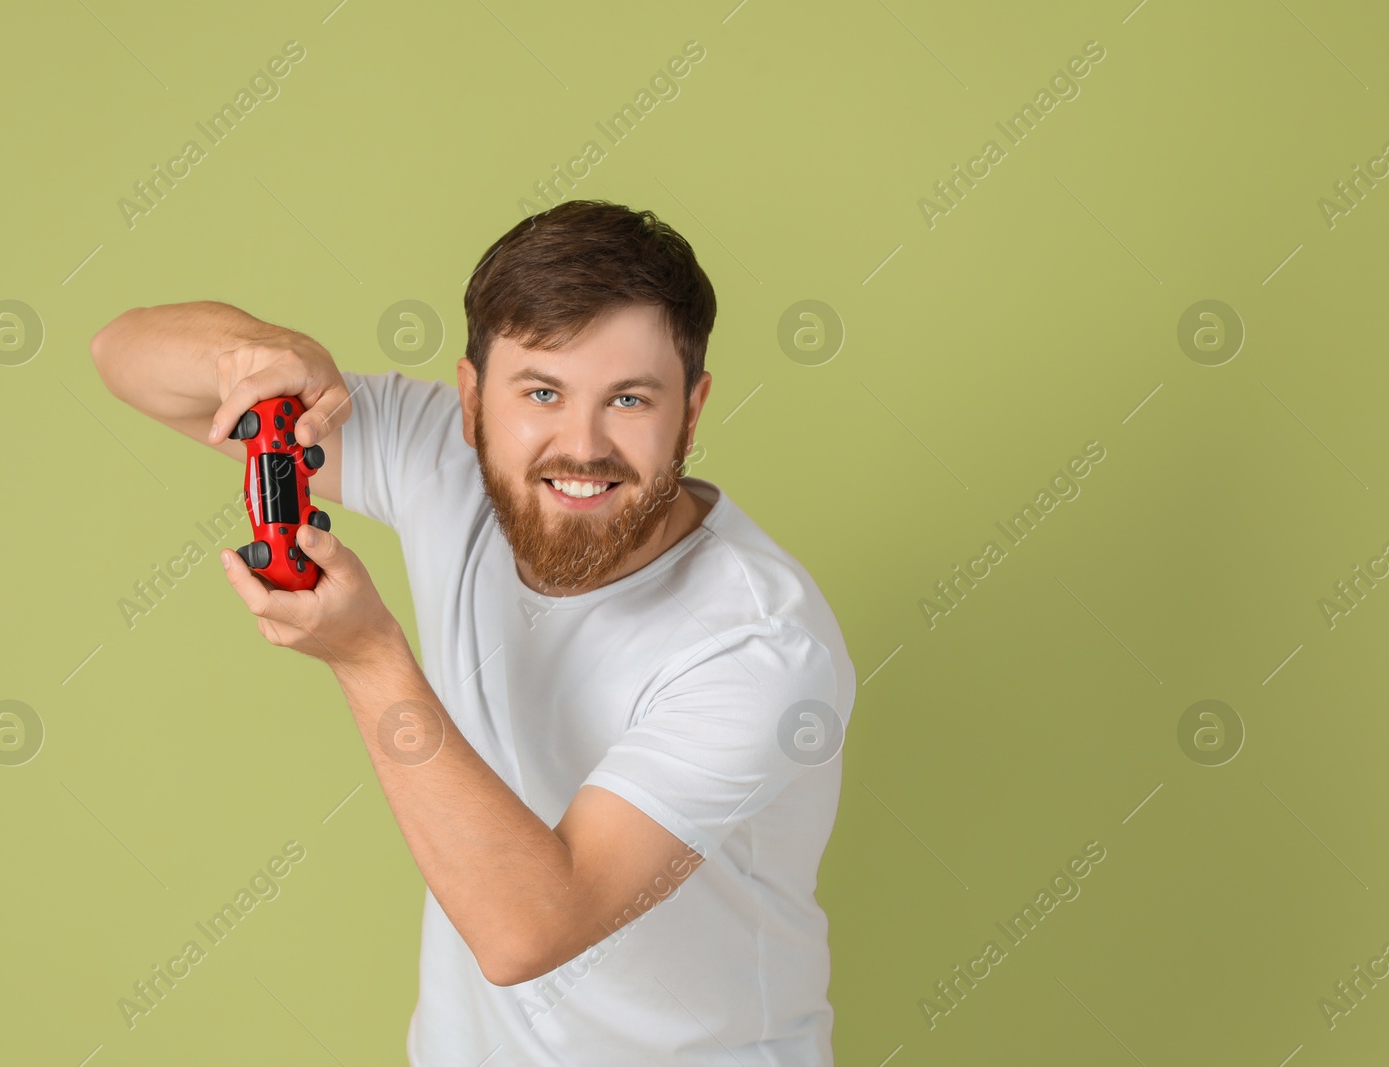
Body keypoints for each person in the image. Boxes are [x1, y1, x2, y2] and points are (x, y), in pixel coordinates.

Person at [90, 199, 856, 1065]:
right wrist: (257, 353)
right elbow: (123, 356)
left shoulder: (758, 647)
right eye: (541, 391)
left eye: (630, 399)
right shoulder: (444, 460)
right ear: (469, 401)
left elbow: (528, 931)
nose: (582, 445)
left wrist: (367, 655)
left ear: (691, 409)